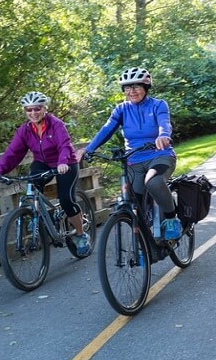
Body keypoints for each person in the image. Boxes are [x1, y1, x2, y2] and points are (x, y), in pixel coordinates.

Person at [75, 67, 182, 241]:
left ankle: (171, 219)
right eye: (127, 87)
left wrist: (163, 135)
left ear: (145, 87)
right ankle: (144, 247)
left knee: (153, 181)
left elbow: (165, 123)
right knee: (135, 204)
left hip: (160, 155)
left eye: (136, 86)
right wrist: (89, 148)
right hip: (134, 160)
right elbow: (107, 129)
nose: (132, 91)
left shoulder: (158, 105)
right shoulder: (121, 109)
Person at [0, 92, 91, 257]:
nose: (33, 113)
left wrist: (63, 162)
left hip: (66, 163)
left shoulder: (56, 124)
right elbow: (12, 152)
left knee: (66, 200)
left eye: (37, 109)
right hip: (42, 163)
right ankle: (37, 217)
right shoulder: (24, 130)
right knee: (32, 186)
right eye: (28, 110)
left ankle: (81, 235)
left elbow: (64, 145)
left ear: (44, 108)